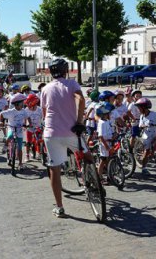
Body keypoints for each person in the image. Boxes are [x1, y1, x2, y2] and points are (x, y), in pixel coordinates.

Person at [41, 58, 91, 218]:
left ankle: (60, 207)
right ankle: (93, 182)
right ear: (65, 70)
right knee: (87, 155)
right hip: (72, 132)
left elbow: (44, 113)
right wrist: (79, 122)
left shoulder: (46, 88)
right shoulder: (72, 84)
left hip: (52, 133)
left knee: (54, 169)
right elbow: (81, 100)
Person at [0, 93, 29, 170]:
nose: (23, 104)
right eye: (21, 103)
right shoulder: (11, 111)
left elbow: (28, 117)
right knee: (9, 136)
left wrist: (30, 124)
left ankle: (20, 163)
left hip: (19, 130)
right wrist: (1, 122)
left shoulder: (24, 111)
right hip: (11, 128)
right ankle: (6, 145)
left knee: (20, 148)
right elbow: (1, 114)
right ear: (16, 104)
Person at [96, 102, 115, 182]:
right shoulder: (102, 123)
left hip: (108, 142)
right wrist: (106, 146)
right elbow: (100, 136)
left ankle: (109, 176)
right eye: (108, 114)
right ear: (104, 115)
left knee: (107, 160)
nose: (109, 115)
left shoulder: (106, 121)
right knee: (103, 160)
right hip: (104, 144)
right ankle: (99, 177)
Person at [24, 94, 43, 160]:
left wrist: (44, 124)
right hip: (30, 128)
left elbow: (43, 118)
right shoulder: (26, 110)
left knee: (40, 141)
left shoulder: (40, 110)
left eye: (29, 104)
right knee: (28, 142)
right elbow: (25, 119)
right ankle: (27, 155)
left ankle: (40, 153)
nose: (28, 106)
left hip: (38, 127)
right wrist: (25, 125)